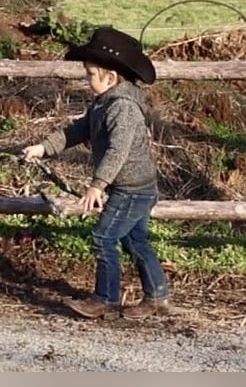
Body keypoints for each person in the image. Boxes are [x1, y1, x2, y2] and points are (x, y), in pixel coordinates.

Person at [22, 26, 171, 320]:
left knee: (103, 237)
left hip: (132, 189)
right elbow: (78, 130)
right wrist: (43, 147)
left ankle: (105, 299)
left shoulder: (122, 108)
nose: (87, 79)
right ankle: (157, 296)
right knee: (134, 241)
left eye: (91, 74)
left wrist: (97, 186)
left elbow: (118, 151)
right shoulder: (104, 103)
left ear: (111, 77)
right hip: (133, 187)